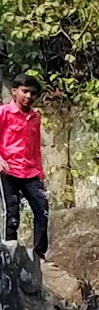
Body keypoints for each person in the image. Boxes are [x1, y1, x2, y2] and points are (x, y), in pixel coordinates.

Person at [0, 74, 47, 258]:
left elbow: (35, 147)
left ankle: (39, 255)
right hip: (8, 170)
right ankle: (8, 255)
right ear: (14, 91)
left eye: (33, 93)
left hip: (30, 172)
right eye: (24, 91)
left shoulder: (35, 118)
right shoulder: (4, 112)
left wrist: (40, 173)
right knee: (12, 215)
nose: (28, 96)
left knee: (42, 210)